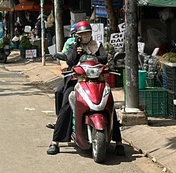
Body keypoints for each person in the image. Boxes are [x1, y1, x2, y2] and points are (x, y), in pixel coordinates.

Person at [47, 20, 124, 156]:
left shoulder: (97, 45)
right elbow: (70, 61)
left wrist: (93, 57)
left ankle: (118, 141)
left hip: (96, 79)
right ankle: (55, 142)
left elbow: (104, 58)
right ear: (77, 35)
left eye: (87, 33)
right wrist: (76, 51)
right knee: (67, 100)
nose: (85, 36)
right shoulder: (72, 45)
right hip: (77, 80)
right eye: (82, 34)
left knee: (108, 102)